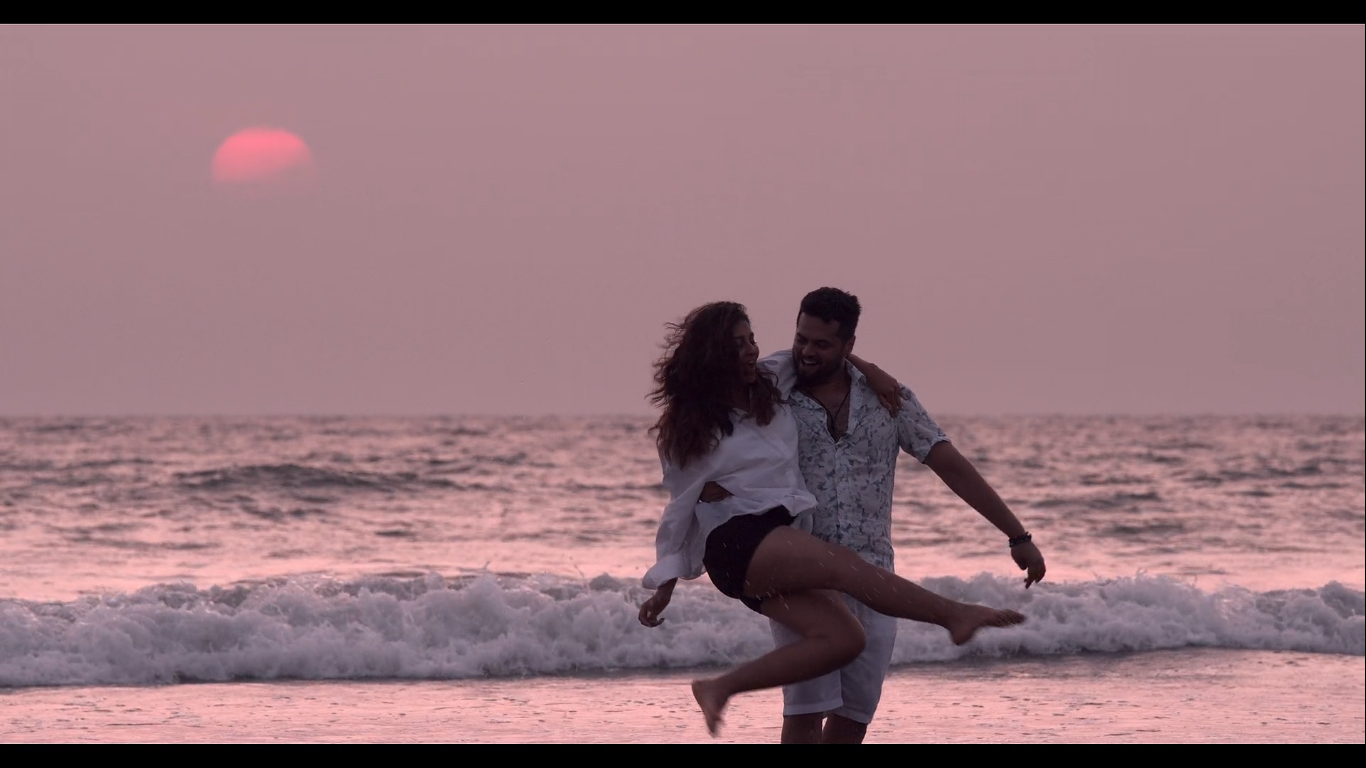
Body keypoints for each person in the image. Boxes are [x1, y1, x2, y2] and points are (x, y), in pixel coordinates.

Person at [637, 301, 1026, 737]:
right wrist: (665, 584)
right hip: (739, 540)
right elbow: (680, 508)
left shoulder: (772, 382)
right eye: (737, 345)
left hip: (780, 544)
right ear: (712, 355)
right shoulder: (690, 428)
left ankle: (719, 688)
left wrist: (872, 371)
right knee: (842, 570)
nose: (751, 351)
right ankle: (954, 614)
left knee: (844, 640)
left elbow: (825, 358)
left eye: (751, 340)